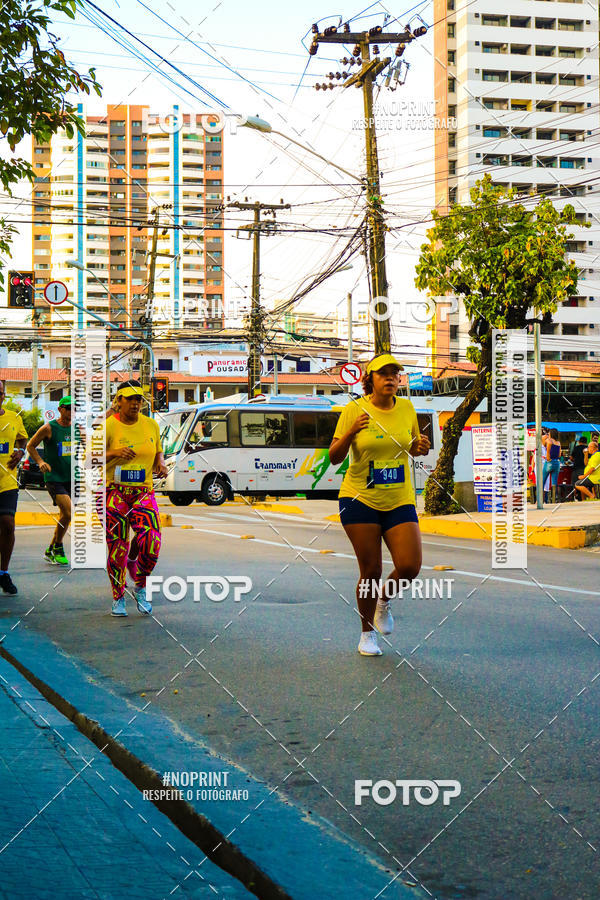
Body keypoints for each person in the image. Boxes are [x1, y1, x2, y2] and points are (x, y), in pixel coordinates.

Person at [329, 354, 431, 656]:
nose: (390, 378)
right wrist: (351, 431)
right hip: (359, 498)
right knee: (371, 569)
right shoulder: (354, 410)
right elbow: (335, 456)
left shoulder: (407, 408)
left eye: (394, 374)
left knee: (410, 566)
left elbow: (412, 447)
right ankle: (366, 634)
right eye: (383, 373)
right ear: (369, 379)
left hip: (399, 497)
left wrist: (419, 447)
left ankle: (383, 601)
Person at [103, 385, 168, 616]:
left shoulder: (150, 424)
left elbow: (158, 450)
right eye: (130, 399)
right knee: (117, 548)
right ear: (118, 400)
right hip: (114, 491)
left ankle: (140, 586)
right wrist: (113, 453)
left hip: (143, 491)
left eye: (139, 400)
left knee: (152, 542)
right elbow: (89, 458)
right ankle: (118, 596)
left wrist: (160, 462)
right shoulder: (108, 426)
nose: (135, 404)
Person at [27, 396, 72, 564]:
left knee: (64, 517)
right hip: (54, 477)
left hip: (71, 477)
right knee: (67, 513)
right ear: (60, 409)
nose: (70, 411)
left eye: (73, 408)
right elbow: (30, 446)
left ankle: (50, 549)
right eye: (67, 408)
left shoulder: (76, 429)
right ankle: (59, 546)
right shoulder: (48, 428)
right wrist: (40, 461)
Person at [0, 381, 27, 594]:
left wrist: (20, 451)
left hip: (7, 480)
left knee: (8, 524)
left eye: (0, 393)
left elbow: (23, 439)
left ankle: (3, 572)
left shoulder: (14, 417)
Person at [542, 428, 561, 503]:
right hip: (557, 463)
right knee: (554, 483)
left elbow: (547, 453)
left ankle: (539, 500)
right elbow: (559, 455)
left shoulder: (549, 441)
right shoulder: (558, 442)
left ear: (551, 434)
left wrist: (548, 459)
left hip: (549, 462)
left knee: (542, 481)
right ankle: (554, 499)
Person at [570, 436, 588, 501]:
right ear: (586, 442)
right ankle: (583, 499)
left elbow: (571, 458)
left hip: (576, 468)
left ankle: (574, 498)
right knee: (583, 484)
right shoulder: (587, 449)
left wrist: (575, 460)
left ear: (579, 442)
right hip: (584, 469)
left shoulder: (576, 448)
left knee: (574, 484)